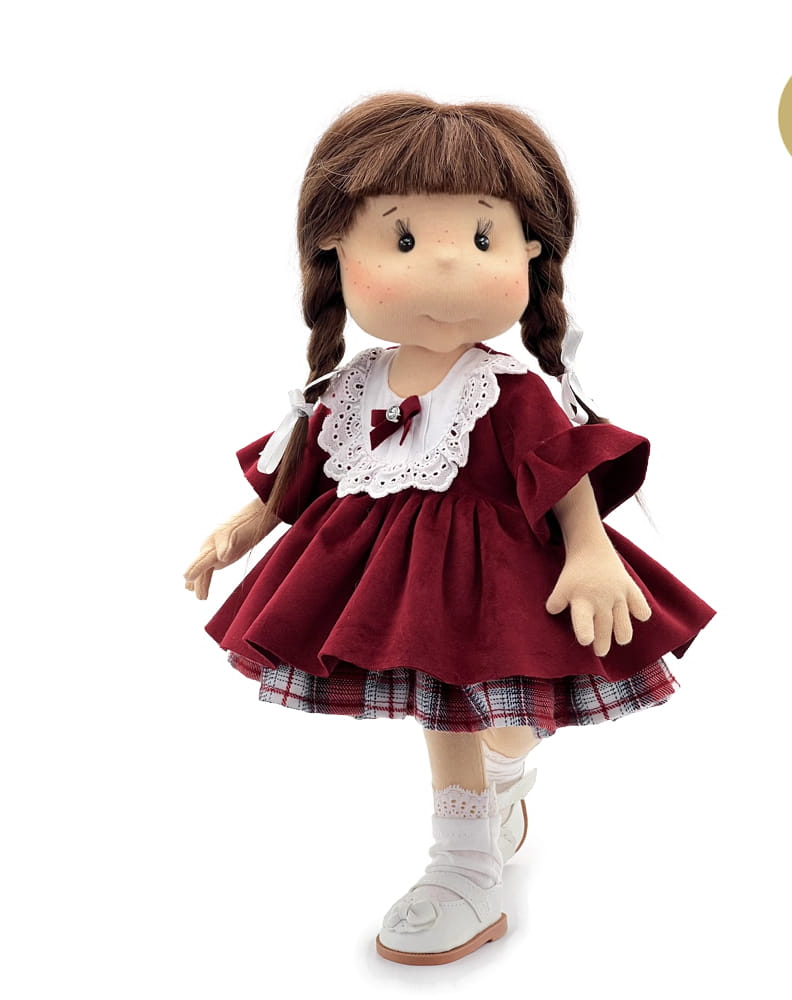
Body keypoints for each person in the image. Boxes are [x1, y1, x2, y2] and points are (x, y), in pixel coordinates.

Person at [183, 93, 714, 966]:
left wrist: (589, 551)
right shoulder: (352, 385)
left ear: (529, 249)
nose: (446, 265)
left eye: (481, 238)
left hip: (489, 579)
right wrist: (247, 524)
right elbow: (305, 470)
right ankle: (493, 800)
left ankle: (466, 863)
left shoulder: (511, 388)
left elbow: (562, 472)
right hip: (384, 583)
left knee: (465, 707)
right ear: (335, 247)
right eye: (402, 239)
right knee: (449, 711)